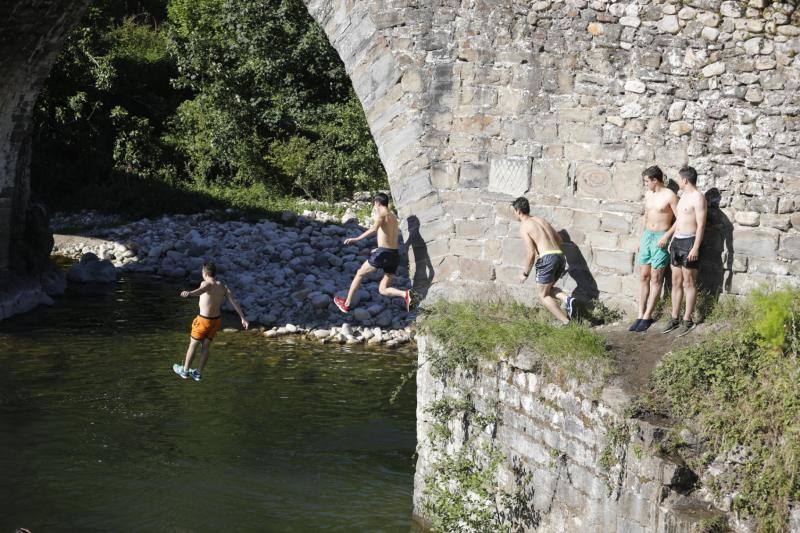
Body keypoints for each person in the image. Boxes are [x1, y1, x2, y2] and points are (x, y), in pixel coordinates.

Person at [334, 192, 411, 313]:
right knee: (383, 289)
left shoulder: (382, 214)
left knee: (359, 273)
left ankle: (346, 304)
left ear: (377, 203)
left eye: (374, 204)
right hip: (393, 254)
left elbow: (374, 229)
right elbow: (389, 236)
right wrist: (380, 248)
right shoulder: (393, 217)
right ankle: (405, 294)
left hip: (383, 253)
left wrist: (356, 239)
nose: (374, 206)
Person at [173, 262, 249, 381]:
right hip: (216, 321)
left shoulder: (207, 283)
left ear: (205, 273)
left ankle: (185, 371)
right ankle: (198, 373)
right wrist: (243, 318)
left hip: (203, 321)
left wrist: (189, 294)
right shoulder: (222, 286)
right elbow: (233, 301)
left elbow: (200, 290)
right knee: (206, 348)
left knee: (193, 345)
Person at [629, 166, 678, 332]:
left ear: (655, 180)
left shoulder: (670, 195)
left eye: (646, 181)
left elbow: (680, 219)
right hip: (648, 237)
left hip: (661, 238)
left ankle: (648, 316)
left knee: (656, 278)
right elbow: (646, 215)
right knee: (644, 276)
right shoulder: (648, 195)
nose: (645, 184)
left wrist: (667, 236)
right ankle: (639, 314)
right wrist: (641, 237)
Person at [513, 197, 576, 324]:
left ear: (519, 211)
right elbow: (559, 240)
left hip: (547, 258)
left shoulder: (524, 226)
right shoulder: (542, 220)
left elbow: (530, 253)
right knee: (548, 289)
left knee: (543, 295)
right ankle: (568, 299)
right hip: (559, 256)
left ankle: (566, 323)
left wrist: (525, 273)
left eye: (514, 211)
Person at [661, 166, 707, 336]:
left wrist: (695, 247)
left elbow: (701, 225)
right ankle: (674, 318)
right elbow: (679, 220)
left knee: (689, 282)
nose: (679, 182)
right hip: (677, 242)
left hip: (689, 241)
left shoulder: (698, 198)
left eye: (680, 179)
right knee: (676, 281)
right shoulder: (683, 197)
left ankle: (687, 319)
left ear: (685, 180)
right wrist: (670, 237)